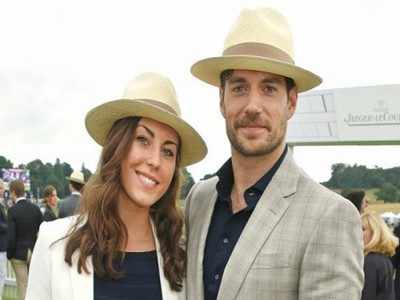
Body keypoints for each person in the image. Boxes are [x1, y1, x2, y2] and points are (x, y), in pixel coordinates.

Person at [185, 6, 364, 299]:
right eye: (240, 88)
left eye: (268, 89)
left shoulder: (331, 215)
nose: (253, 105)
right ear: (222, 99)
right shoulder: (198, 200)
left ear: (291, 103)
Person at [25, 72, 207, 300]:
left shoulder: (180, 258)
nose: (155, 161)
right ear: (117, 147)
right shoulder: (53, 243)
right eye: (143, 140)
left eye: (168, 151)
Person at [7, 180, 43, 300]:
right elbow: (42, 231)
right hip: (33, 251)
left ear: (13, 192)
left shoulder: (12, 211)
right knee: (33, 286)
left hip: (18, 254)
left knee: (22, 286)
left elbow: (11, 237)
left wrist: (9, 255)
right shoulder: (36, 209)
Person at [361, 211, 398, 300]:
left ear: (375, 232)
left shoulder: (370, 262)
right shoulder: (383, 259)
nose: (357, 232)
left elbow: (367, 295)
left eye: (363, 229)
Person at [0, 180, 7, 297]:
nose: (2, 190)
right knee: (2, 274)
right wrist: (10, 225)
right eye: (1, 188)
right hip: (0, 246)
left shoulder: (3, 204)